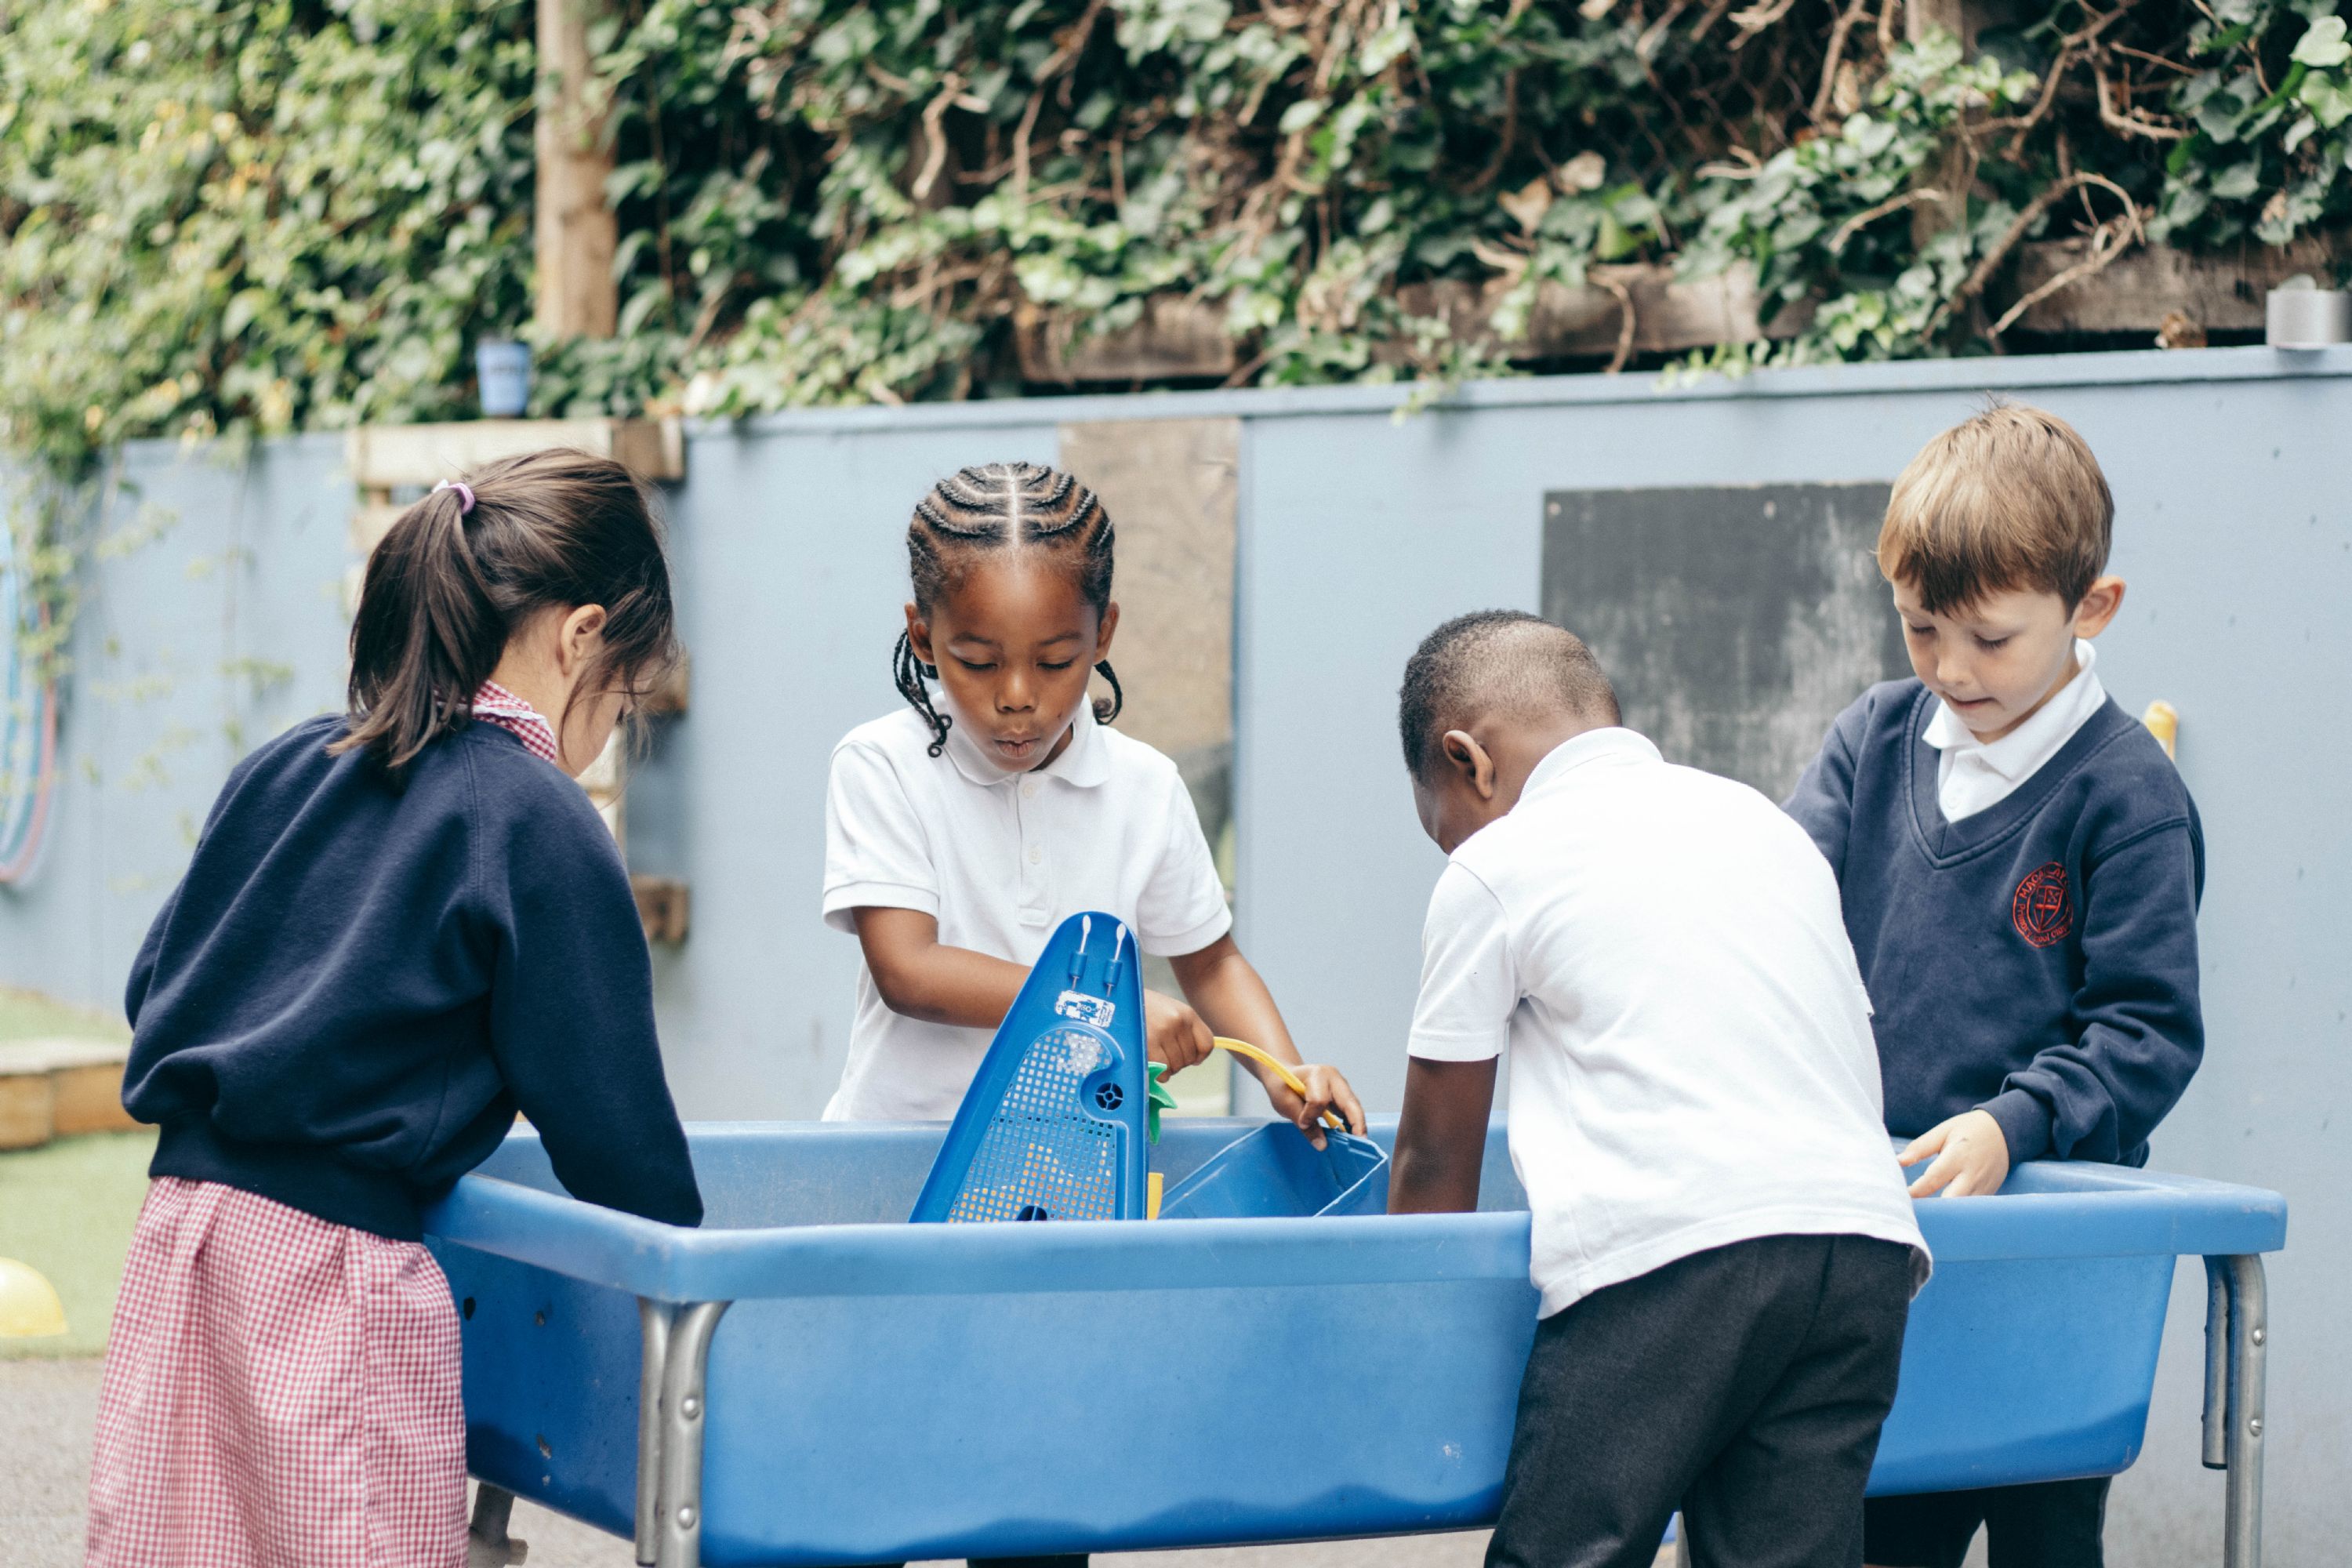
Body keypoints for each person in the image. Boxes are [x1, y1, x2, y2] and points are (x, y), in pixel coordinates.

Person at [86, 452, 705, 1568]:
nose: (613, 724)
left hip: (183, 1242)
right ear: (581, 638)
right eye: (625, 696)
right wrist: (701, 1269)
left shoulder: (290, 763)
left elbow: (159, 989)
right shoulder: (537, 819)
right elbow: (611, 1131)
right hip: (335, 1274)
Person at [1388, 610, 1928, 1568]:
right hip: (1864, 1244)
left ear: (1468, 758)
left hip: (1675, 1257)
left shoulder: (1497, 864)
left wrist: (1397, 1340)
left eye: (1446, 827)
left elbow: (1435, 1154)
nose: (1454, 846)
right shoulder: (1760, 820)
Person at [1784, 404, 2204, 1568]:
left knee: (2043, 1538)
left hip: (2049, 1264)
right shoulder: (1874, 737)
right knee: (1880, 1529)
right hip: (1885, 1242)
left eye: (1990, 637)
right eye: (1921, 630)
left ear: (2092, 609)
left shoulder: (2125, 794)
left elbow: (2147, 1028)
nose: (1950, 669)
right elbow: (1777, 906)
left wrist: (2011, 1123)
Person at [821, 460, 1363, 1148]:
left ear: (1102, 635)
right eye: (979, 662)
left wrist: (1287, 1071)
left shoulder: (1145, 785)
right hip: (898, 1160)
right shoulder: (881, 764)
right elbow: (909, 970)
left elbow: (1212, 964)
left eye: (1054, 663)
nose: (1017, 695)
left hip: (1074, 1163)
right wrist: (1109, 1009)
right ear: (924, 636)